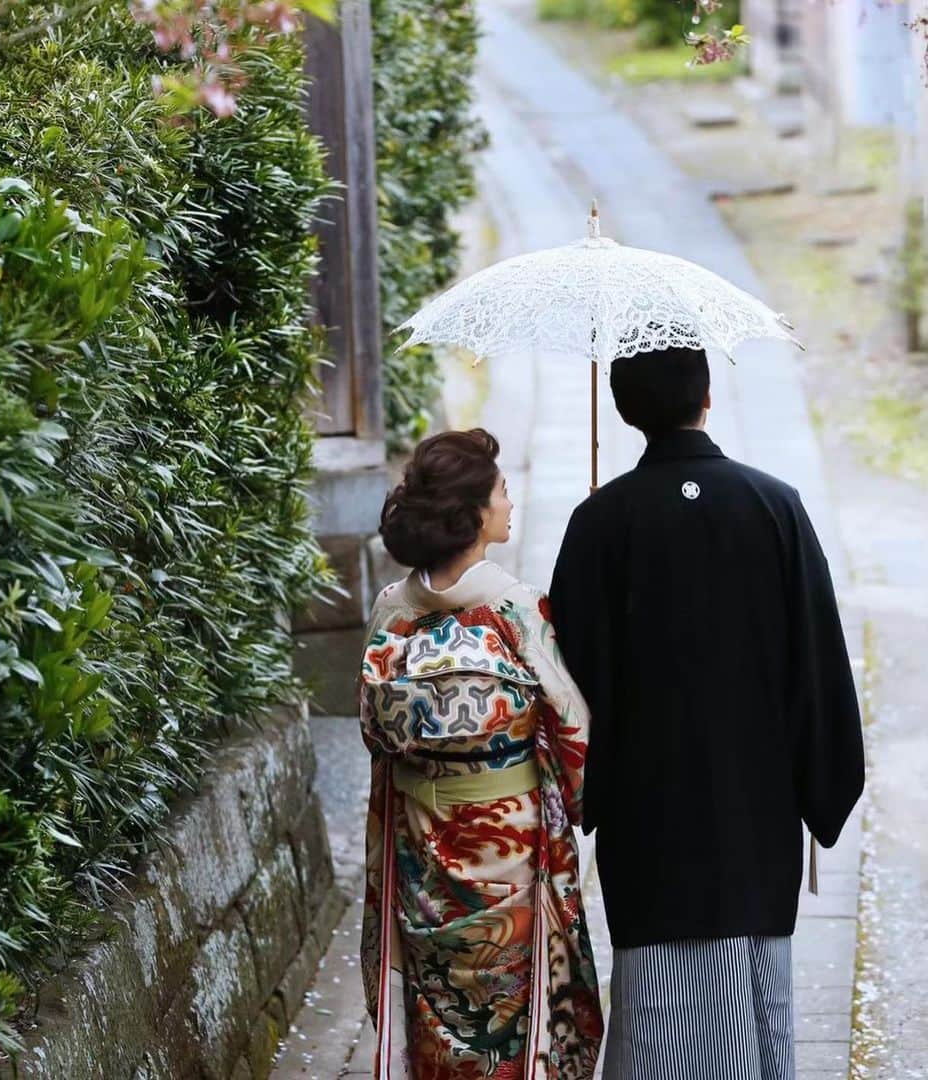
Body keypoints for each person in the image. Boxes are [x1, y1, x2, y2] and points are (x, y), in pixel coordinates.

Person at [548, 345, 865, 1080]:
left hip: (648, 809)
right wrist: (822, 788)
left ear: (626, 411)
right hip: (756, 803)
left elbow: (570, 683)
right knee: (754, 996)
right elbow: (817, 660)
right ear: (708, 398)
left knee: (656, 1005)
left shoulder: (599, 521)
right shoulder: (774, 503)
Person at [359, 428, 603, 1080]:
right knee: (511, 1007)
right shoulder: (516, 609)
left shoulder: (393, 613)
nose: (509, 497)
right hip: (507, 845)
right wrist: (580, 800)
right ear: (472, 515)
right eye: (500, 489)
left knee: (435, 1001)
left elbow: (373, 732)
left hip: (421, 845)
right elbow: (574, 729)